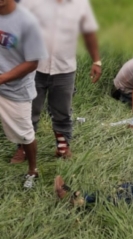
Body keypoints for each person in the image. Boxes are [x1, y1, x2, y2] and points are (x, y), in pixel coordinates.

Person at [12, 0, 102, 163]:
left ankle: (62, 146)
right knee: (29, 111)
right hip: (33, 67)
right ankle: (22, 148)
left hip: (65, 69)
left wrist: (96, 61)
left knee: (62, 112)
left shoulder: (80, 4)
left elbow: (88, 33)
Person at [0, 0, 47, 188]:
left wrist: (2, 79)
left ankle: (32, 170)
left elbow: (32, 63)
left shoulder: (28, 23)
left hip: (15, 90)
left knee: (25, 134)